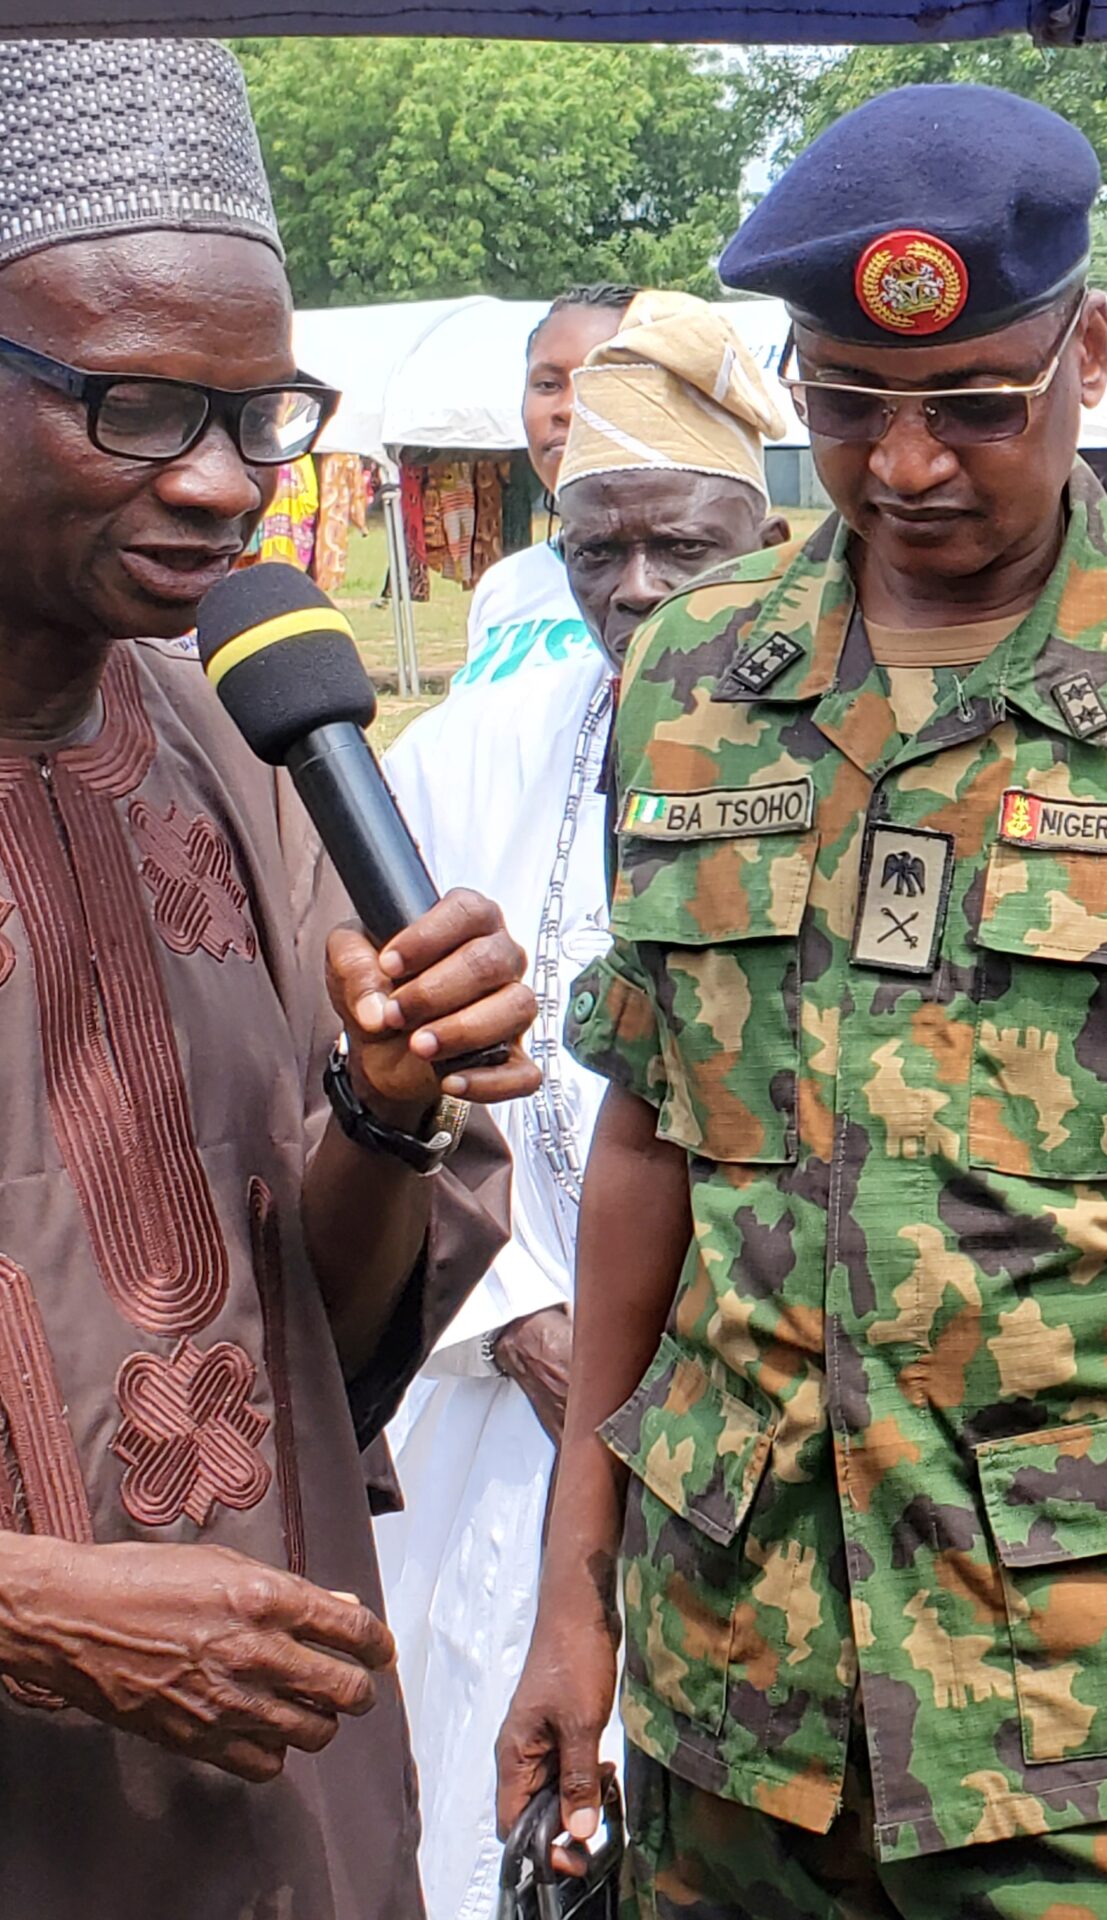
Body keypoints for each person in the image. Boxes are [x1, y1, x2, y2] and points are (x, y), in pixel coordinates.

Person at [497, 85, 1107, 1919]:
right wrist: (573, 1593)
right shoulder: (696, 677)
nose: (909, 463)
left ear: (1084, 358)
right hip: (742, 1683)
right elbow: (647, 1138)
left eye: (974, 406)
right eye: (850, 405)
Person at [0, 39, 538, 1919]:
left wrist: (388, 1114)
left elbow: (318, 1328)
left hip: (281, 1802)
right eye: (141, 407)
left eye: (261, 415)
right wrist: (30, 1609)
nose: (224, 486)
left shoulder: (245, 748)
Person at [377, 291, 793, 1920]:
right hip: (512, 1403)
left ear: (767, 543)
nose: (634, 588)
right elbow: (379, 1066)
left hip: (771, 1431)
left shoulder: (867, 760)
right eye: (596, 547)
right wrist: (519, 1314)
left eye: (680, 547)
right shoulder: (463, 757)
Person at [449, 283, 637, 688]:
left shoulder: (706, 584)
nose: (566, 409)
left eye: (597, 382)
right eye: (548, 385)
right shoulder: (506, 587)